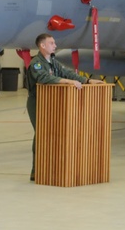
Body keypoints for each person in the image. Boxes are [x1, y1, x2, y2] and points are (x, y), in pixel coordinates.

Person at [26, 33, 106, 181]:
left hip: (52, 101)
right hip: (37, 102)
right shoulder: (36, 63)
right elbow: (44, 78)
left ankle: (50, 168)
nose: (55, 45)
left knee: (52, 135)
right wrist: (67, 82)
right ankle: (36, 170)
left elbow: (67, 73)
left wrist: (87, 81)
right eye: (51, 43)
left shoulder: (53, 61)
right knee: (41, 134)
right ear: (42, 46)